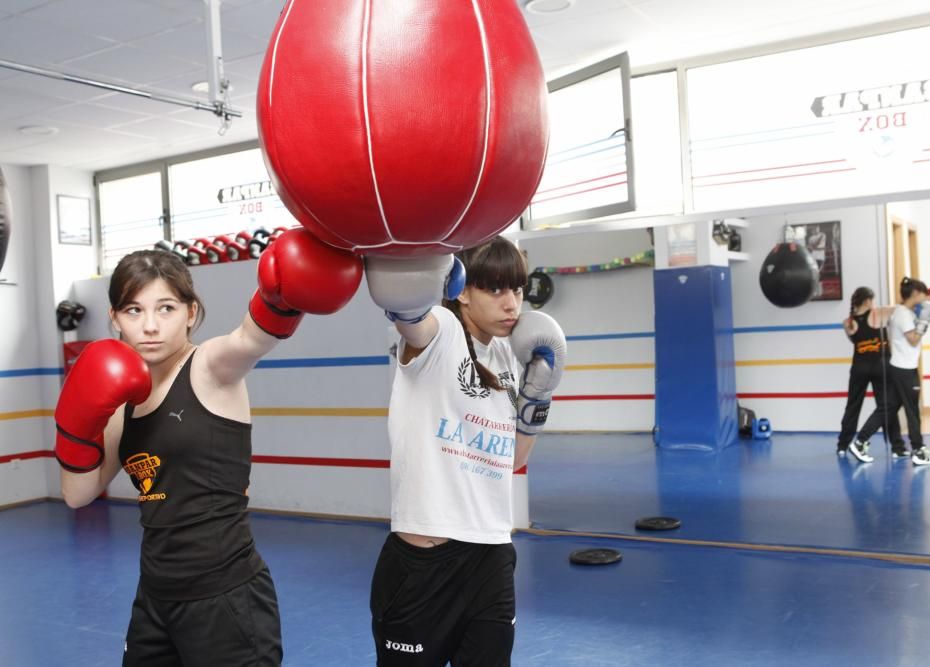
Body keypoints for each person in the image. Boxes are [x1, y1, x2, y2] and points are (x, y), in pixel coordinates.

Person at [54, 229, 361, 666]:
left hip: (226, 598)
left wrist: (278, 298)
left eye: (166, 308)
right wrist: (74, 425)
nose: (151, 325)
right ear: (114, 318)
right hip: (155, 598)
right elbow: (76, 494)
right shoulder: (120, 403)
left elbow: (250, 340)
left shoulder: (209, 367)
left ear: (191, 313)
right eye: (134, 310)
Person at [364, 236, 567, 666]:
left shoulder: (510, 359)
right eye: (495, 289)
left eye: (517, 289)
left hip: (491, 555)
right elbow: (412, 319)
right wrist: (420, 273)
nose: (512, 303)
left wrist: (538, 398)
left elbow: (512, 461)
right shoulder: (440, 332)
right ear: (462, 289)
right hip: (425, 562)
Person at [852, 278, 930, 466]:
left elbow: (926, 301)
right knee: (912, 411)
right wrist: (925, 322)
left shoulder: (905, 311)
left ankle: (860, 442)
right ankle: (918, 450)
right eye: (922, 294)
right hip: (904, 370)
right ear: (915, 294)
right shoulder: (903, 315)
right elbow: (913, 340)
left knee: (888, 408)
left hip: (899, 367)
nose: (925, 298)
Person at [837, 286, 904, 462]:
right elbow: (901, 307)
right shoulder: (878, 314)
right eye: (872, 300)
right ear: (868, 301)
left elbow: (854, 341)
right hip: (880, 367)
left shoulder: (847, 322)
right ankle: (897, 447)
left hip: (859, 368)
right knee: (887, 407)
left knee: (852, 406)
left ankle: (842, 446)